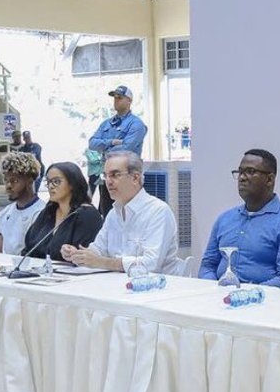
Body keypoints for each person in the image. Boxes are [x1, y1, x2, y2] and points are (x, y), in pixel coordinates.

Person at [197, 149, 280, 289]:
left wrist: (245, 295)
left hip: (266, 301)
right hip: (218, 298)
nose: (242, 177)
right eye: (240, 172)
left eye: (250, 171)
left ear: (269, 179)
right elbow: (208, 266)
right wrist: (213, 289)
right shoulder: (224, 219)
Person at [65, 150, 178, 274]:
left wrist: (102, 262)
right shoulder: (114, 213)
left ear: (135, 178)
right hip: (116, 282)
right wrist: (77, 255)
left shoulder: (158, 211)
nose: (108, 182)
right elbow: (98, 250)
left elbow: (151, 264)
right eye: (106, 176)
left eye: (115, 175)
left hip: (155, 284)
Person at [10, 162, 103, 262]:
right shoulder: (49, 211)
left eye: (56, 181)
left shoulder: (87, 215)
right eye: (48, 182)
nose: (50, 186)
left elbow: (83, 257)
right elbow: (29, 247)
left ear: (72, 183)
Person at [88, 85, 147, 217]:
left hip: (127, 178)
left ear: (129, 100)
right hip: (108, 178)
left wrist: (104, 150)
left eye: (119, 98)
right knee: (108, 215)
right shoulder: (106, 124)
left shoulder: (136, 124)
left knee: (128, 216)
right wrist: (111, 142)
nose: (116, 100)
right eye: (115, 98)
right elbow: (92, 143)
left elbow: (126, 148)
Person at [0, 151, 45, 255]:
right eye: (6, 180)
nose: (8, 186)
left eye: (14, 181)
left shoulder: (42, 212)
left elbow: (37, 254)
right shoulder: (5, 212)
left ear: (30, 182)